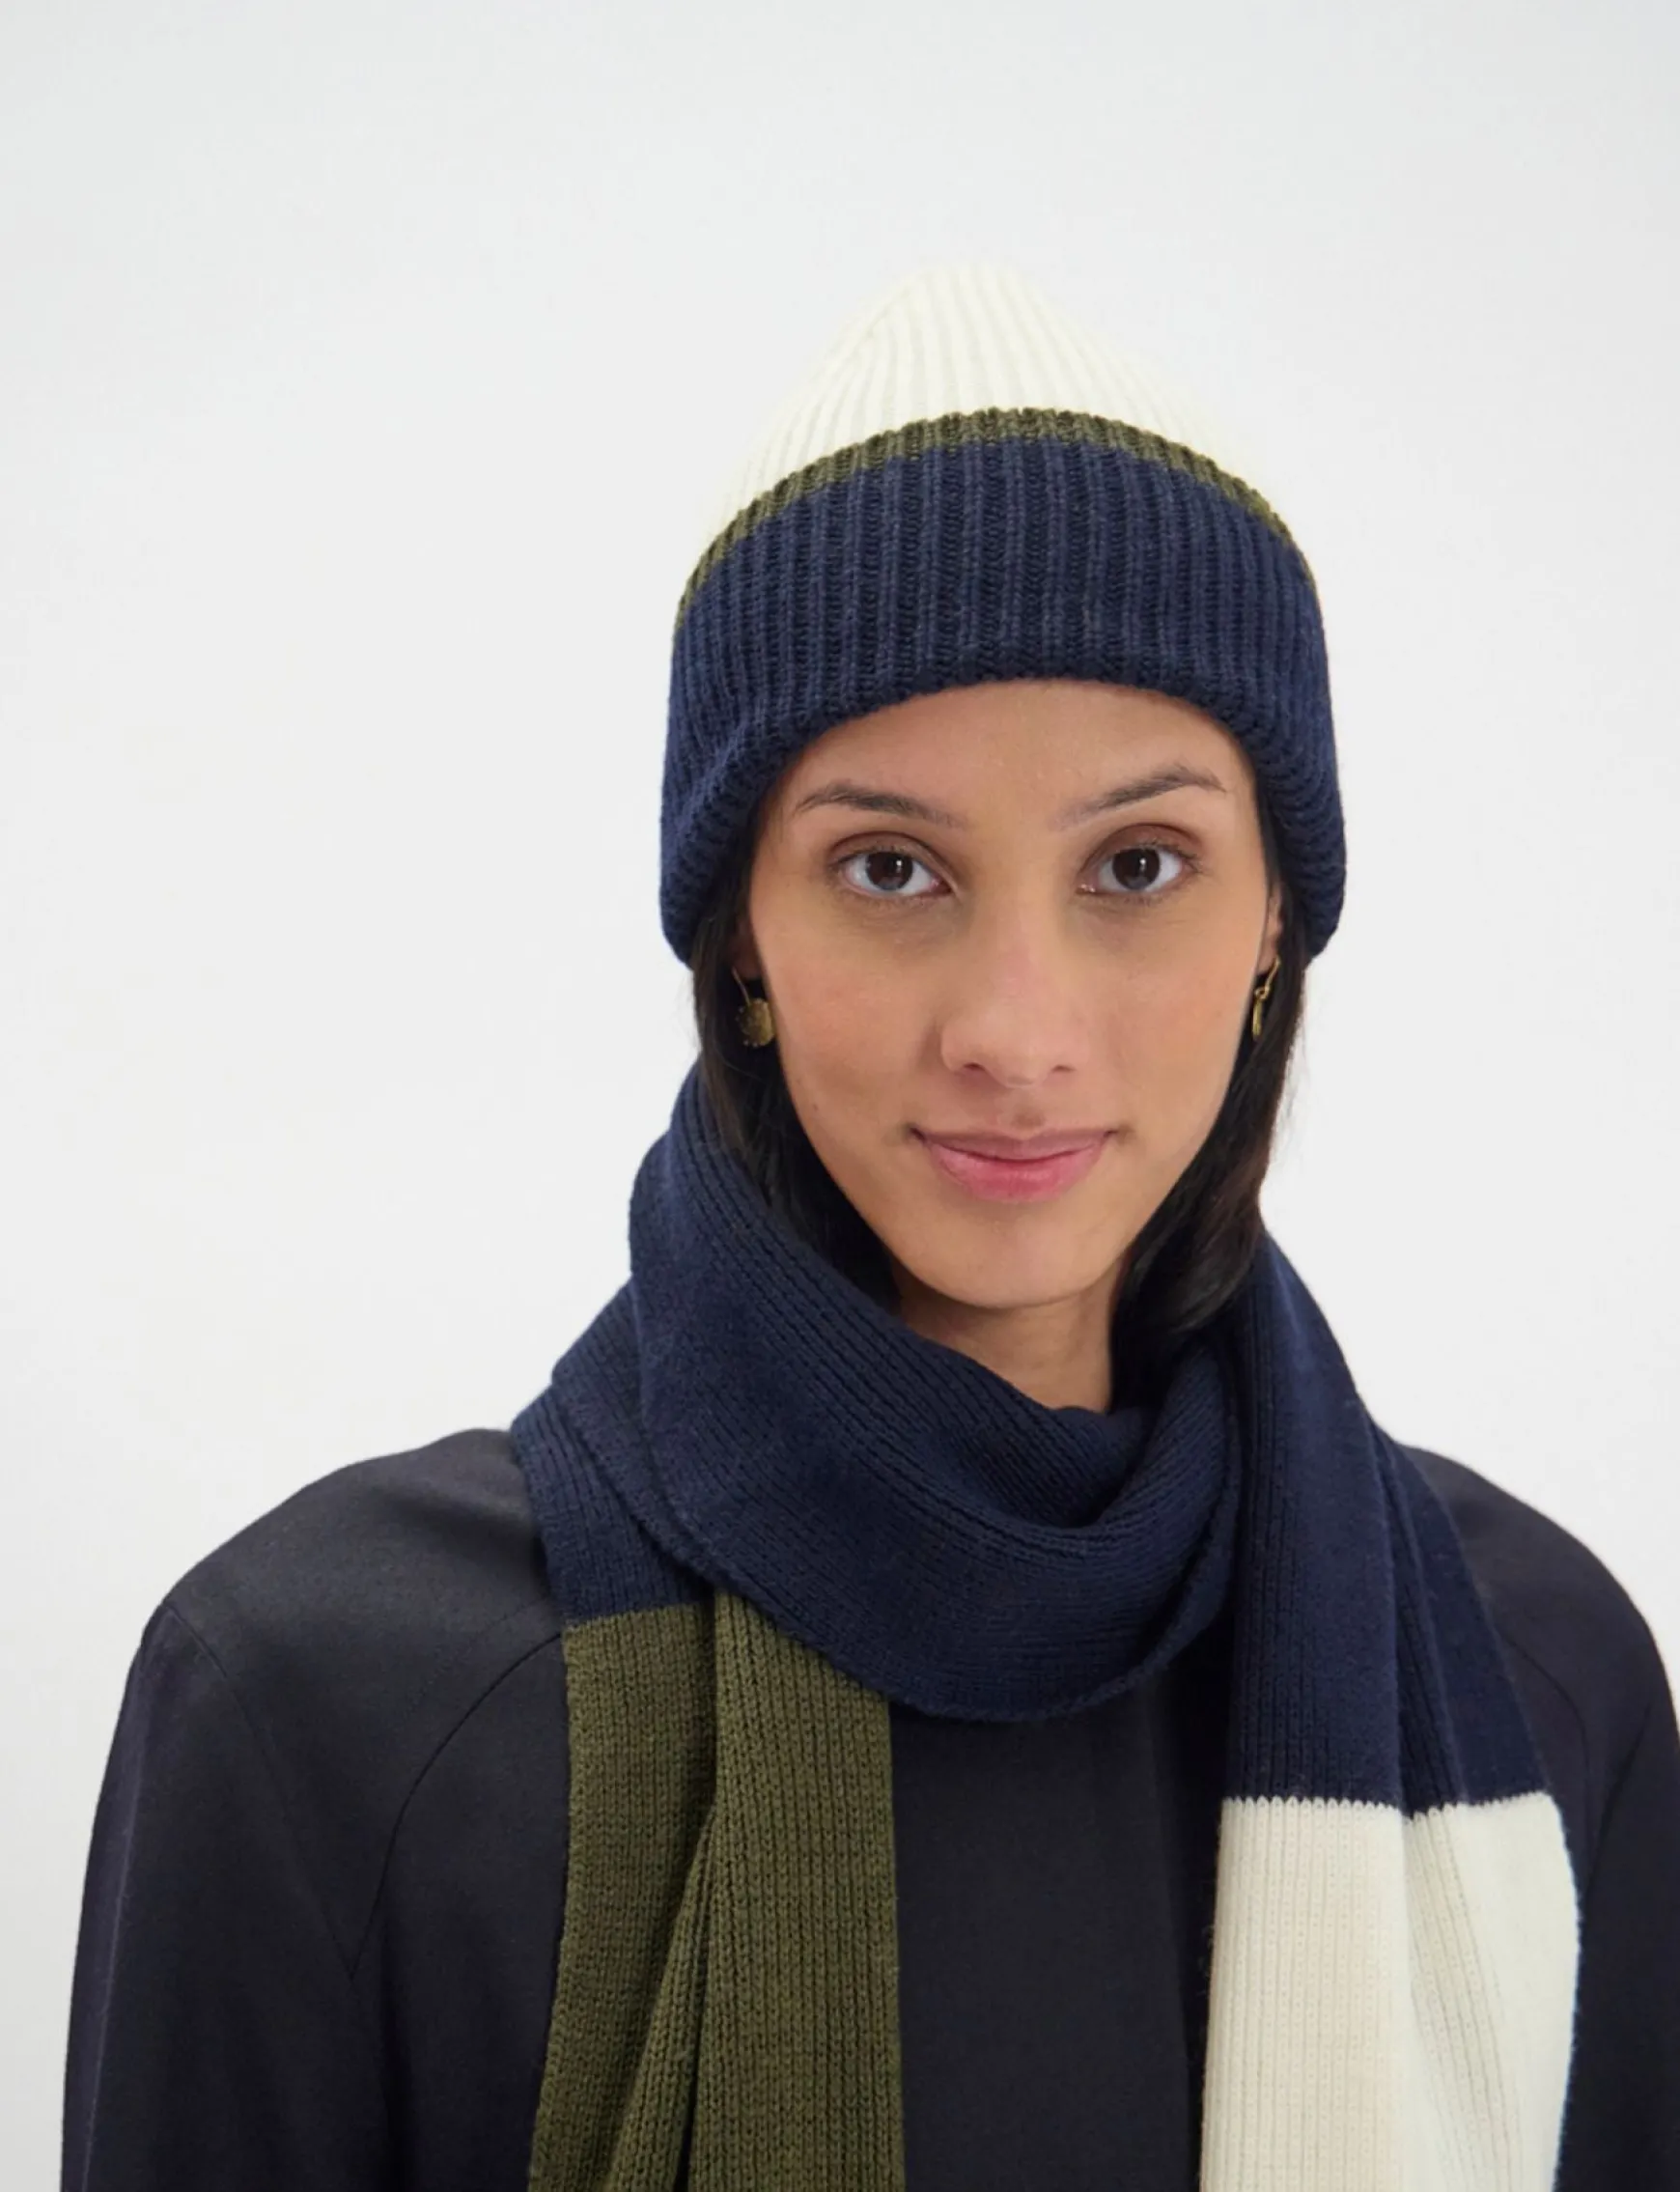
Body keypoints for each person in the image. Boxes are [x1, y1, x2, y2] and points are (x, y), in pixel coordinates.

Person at [61, 264, 1680, 2192]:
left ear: (1275, 925)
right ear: (741, 931)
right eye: (890, 867)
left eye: (1139, 862)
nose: (1015, 1030)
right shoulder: (318, 1708)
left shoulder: (1538, 1677)